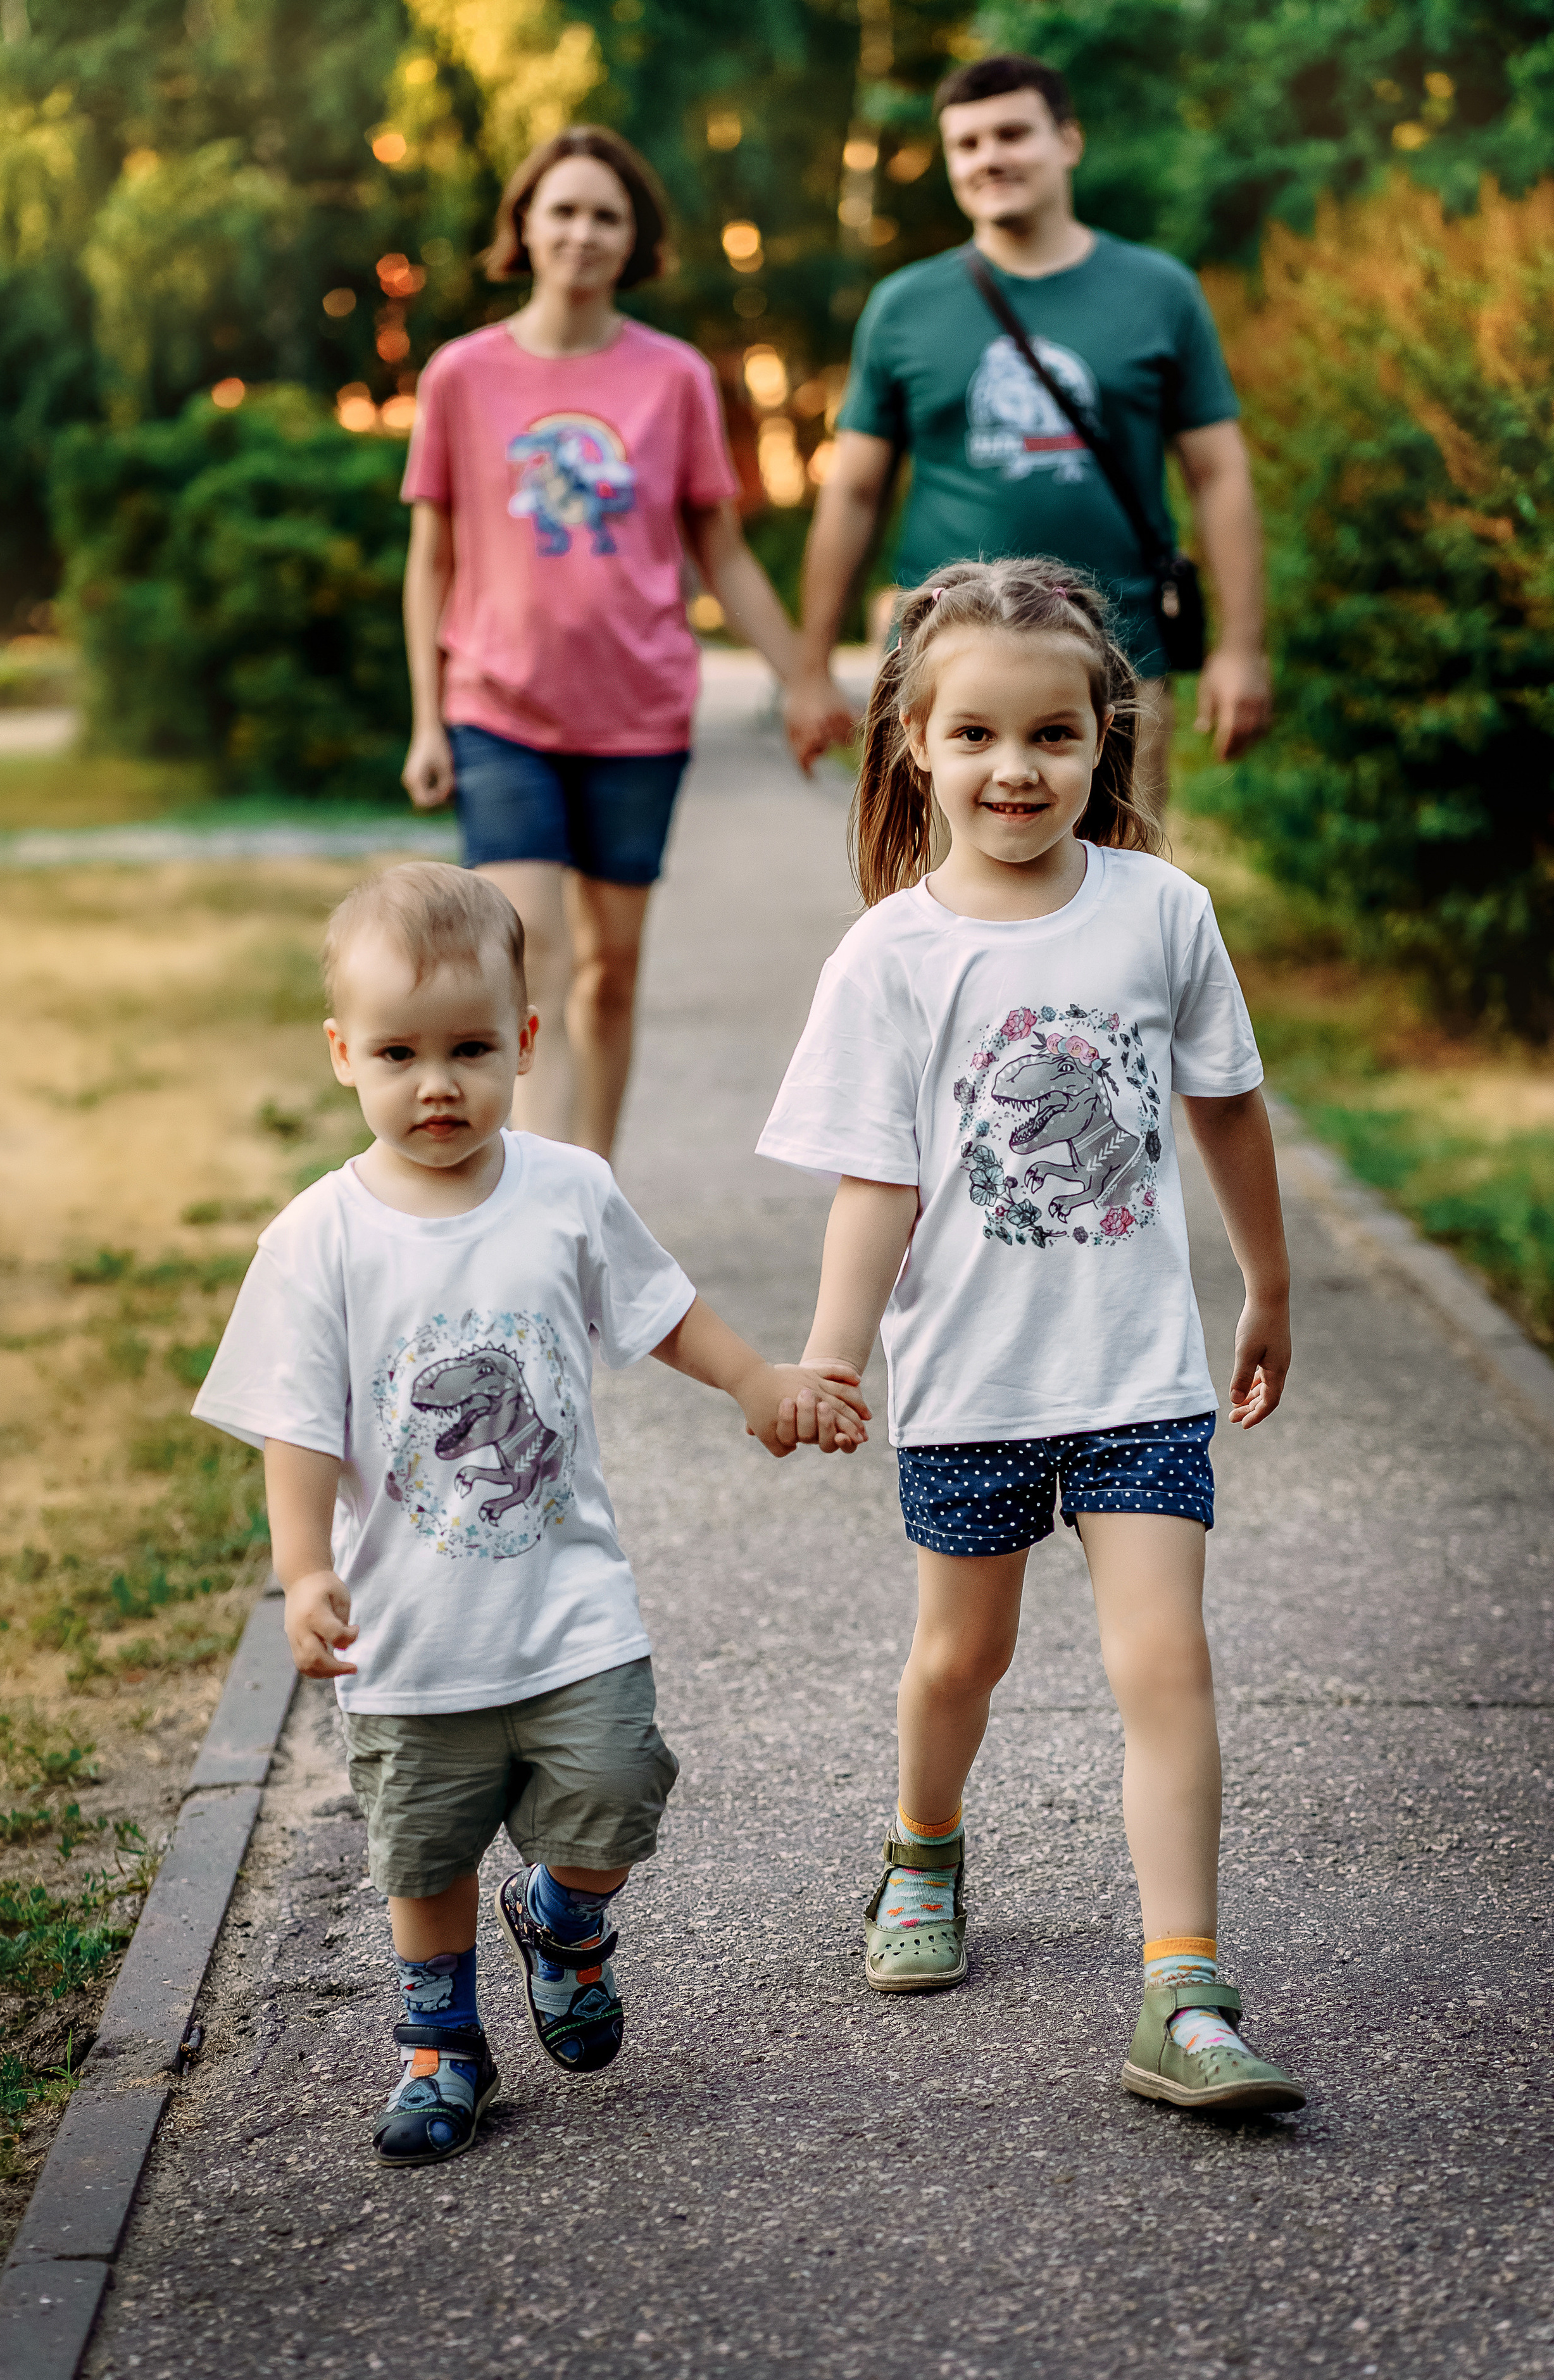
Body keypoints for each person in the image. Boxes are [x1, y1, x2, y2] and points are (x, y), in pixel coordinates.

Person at [192, 863, 867, 2167]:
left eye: (469, 1049)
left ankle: (562, 1917)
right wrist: (304, 1569)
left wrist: (755, 1381)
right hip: (410, 1634)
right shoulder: (318, 1239)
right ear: (342, 1054)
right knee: (426, 1852)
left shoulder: (566, 1190)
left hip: (569, 1610)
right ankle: (440, 2045)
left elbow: (661, 1309)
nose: (436, 1084)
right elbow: (297, 1420)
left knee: (616, 1794)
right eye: (398, 1054)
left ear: (525, 1041)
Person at [759, 560, 1305, 2112]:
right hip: (971, 1383)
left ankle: (1180, 1986)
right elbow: (875, 1181)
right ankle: (921, 1848)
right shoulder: (890, 955)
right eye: (977, 736)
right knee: (962, 1655)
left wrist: (1265, 1283)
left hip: (1136, 1375)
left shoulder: (1159, 911)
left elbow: (1224, 1106)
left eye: (1052, 735)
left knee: (1163, 1660)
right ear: (915, 744)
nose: (1016, 769)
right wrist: (832, 1353)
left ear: (1102, 737)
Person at [399, 125, 802, 1159]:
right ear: (524, 227)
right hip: (499, 707)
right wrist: (428, 721)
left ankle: (594, 1186)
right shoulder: (461, 375)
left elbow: (722, 552)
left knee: (610, 971)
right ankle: (542, 1199)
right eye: (564, 210)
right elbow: (431, 559)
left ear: (635, 240)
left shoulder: (674, 378)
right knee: (529, 956)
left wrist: (803, 677)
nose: (582, 232)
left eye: (606, 216)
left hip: (638, 714)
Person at [785, 53, 1272, 810]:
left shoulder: (1158, 293)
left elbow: (1220, 475)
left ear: (1068, 141)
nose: (989, 158)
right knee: (940, 887)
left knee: (1116, 879)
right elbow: (851, 492)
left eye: (1012, 134)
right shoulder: (903, 307)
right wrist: (810, 667)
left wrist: (1240, 649)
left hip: (1117, 668)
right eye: (967, 143)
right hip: (940, 671)